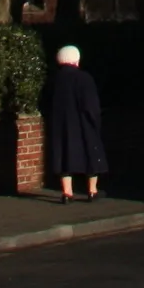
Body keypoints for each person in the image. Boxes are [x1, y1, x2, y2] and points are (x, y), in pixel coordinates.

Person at [48, 44, 108, 203]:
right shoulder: (83, 78)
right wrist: (96, 121)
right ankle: (92, 190)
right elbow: (91, 105)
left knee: (64, 156)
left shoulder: (55, 79)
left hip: (62, 125)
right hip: (83, 124)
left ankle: (67, 193)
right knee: (91, 155)